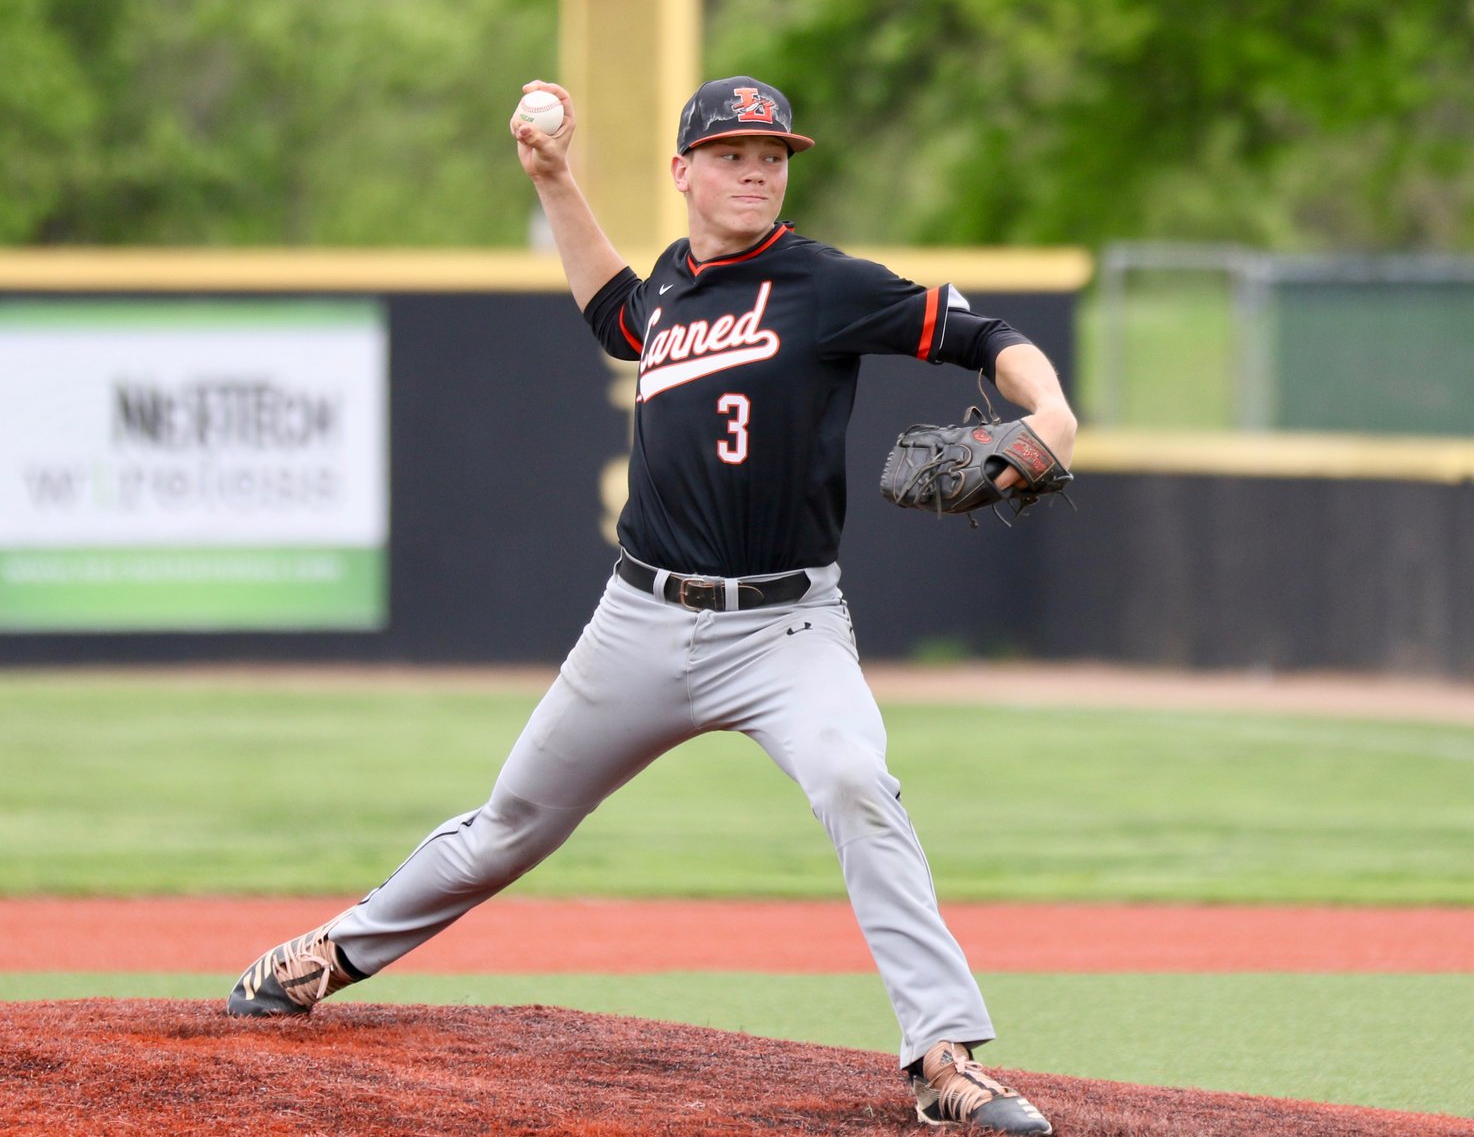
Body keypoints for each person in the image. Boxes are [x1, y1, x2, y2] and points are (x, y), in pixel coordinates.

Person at [227, 76, 1076, 1135]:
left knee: (857, 780)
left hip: (785, 629)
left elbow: (982, 333)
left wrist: (1051, 409)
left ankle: (944, 1059)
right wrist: (553, 178)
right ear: (683, 172)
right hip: (638, 621)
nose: (756, 171)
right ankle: (332, 952)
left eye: (771, 155)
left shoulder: (823, 283)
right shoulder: (671, 282)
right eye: (731, 154)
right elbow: (615, 316)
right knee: (510, 826)